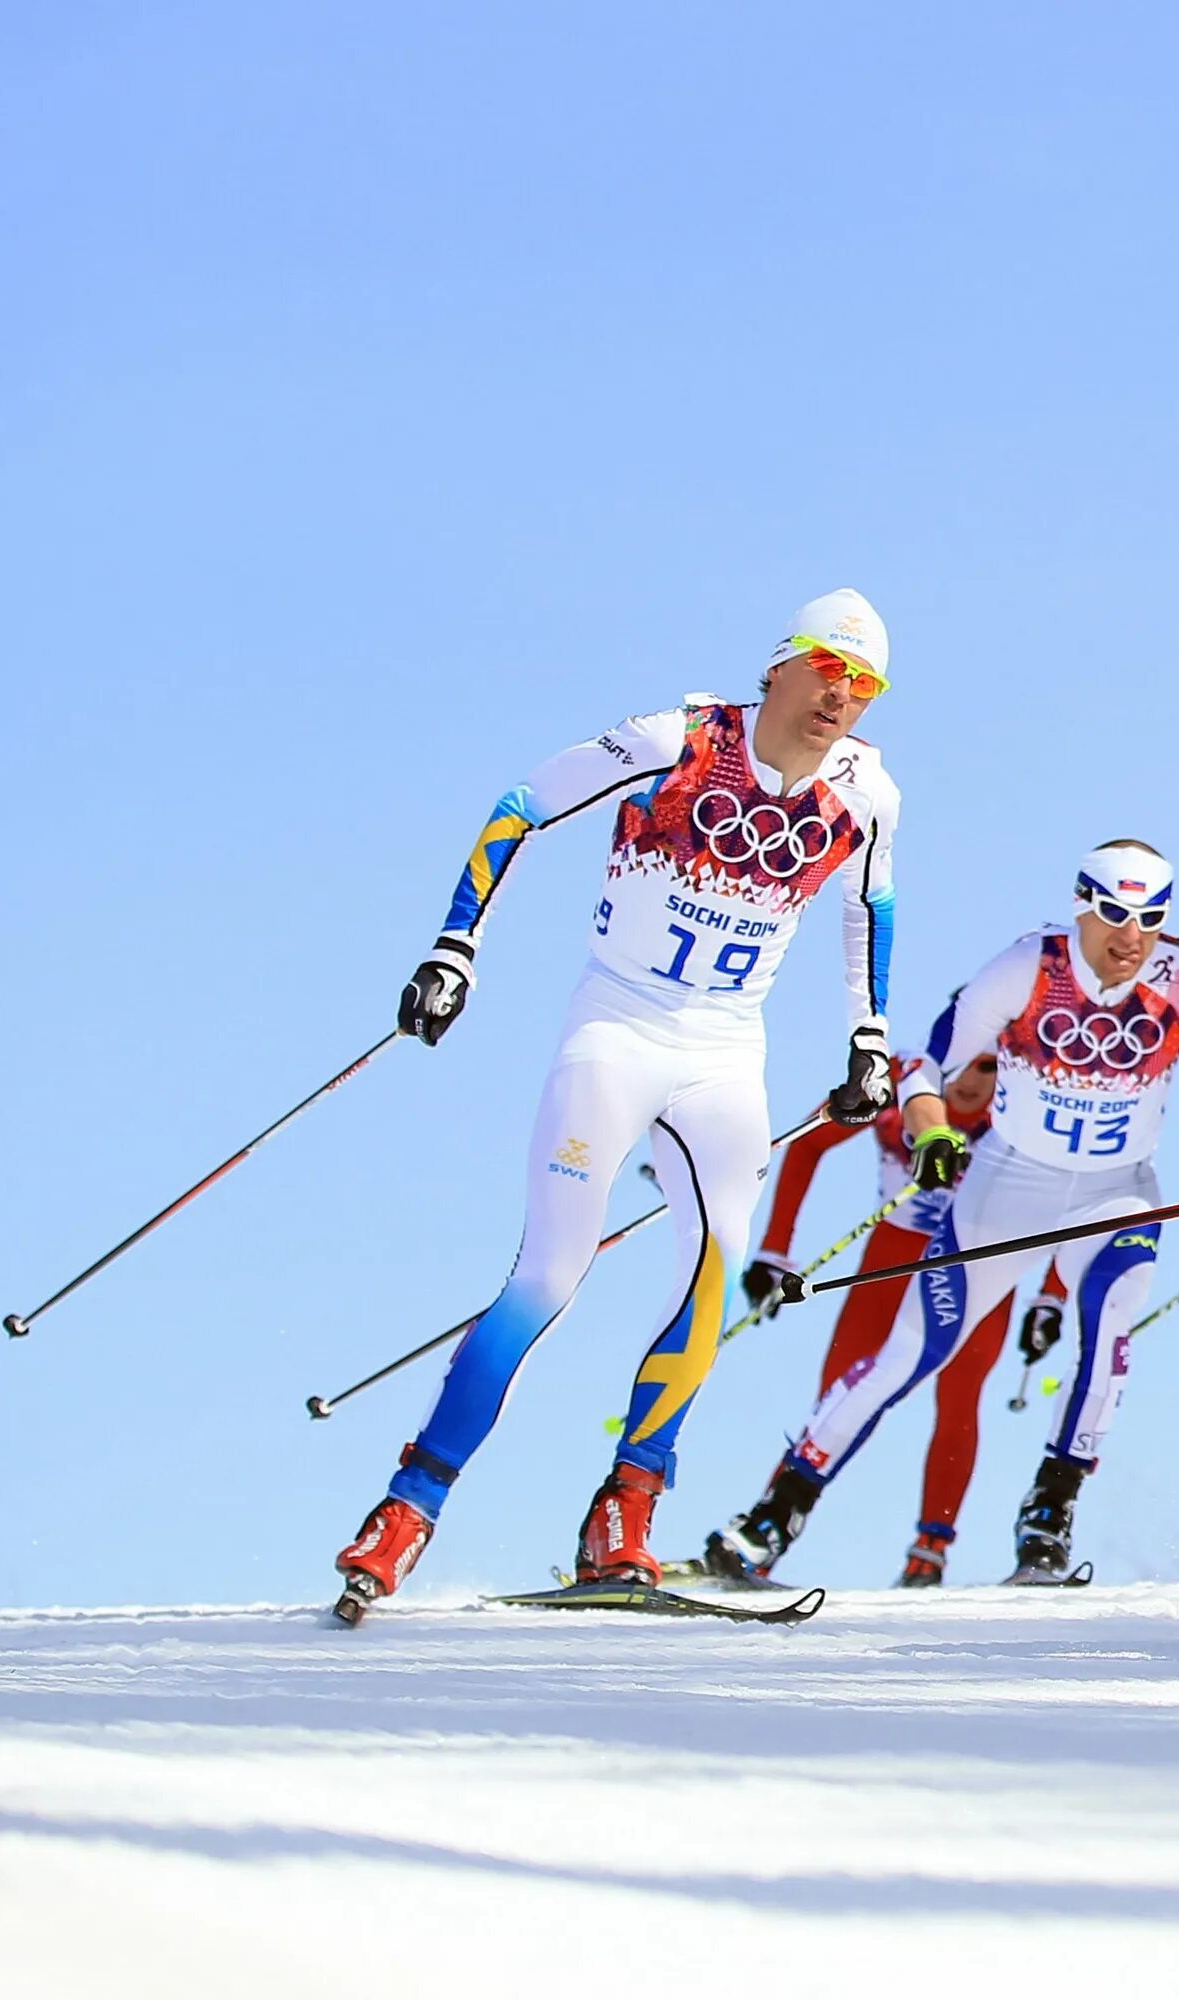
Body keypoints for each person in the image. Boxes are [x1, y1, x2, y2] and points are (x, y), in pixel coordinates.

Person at [330, 591, 903, 1621]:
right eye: (828, 667)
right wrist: (454, 945)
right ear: (780, 664)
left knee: (714, 1273)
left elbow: (871, 910)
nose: (841, 695)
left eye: (865, 684)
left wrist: (870, 1034)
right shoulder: (678, 738)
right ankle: (408, 1505)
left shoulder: (869, 794)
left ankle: (627, 1507)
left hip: (728, 1050)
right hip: (620, 1028)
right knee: (549, 1275)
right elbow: (520, 805)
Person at [712, 838, 1179, 1584]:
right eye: (1115, 914)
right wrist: (934, 1128)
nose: (1131, 937)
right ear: (1082, 906)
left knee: (1109, 1334)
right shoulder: (1029, 967)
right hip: (1004, 1189)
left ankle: (1048, 1516)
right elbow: (922, 1058)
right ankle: (775, 1513)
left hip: (1117, 1191)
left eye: (1152, 917)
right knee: (907, 1355)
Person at [735, 1051, 1069, 1585]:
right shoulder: (898, 1080)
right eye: (957, 1064)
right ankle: (761, 1536)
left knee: (960, 1399)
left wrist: (1051, 1298)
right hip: (890, 1264)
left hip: (976, 1268)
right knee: (838, 1398)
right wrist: (774, 1252)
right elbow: (808, 1144)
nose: (966, 1082)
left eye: (987, 1066)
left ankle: (929, 1553)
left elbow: (1074, 1198)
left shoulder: (1027, 1106)